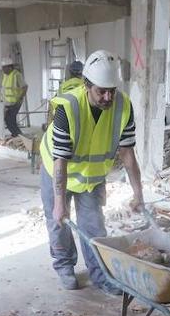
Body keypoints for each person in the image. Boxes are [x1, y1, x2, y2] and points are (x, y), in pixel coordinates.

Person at [38, 50, 144, 293]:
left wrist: (139, 194)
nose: (108, 97)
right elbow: (60, 161)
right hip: (57, 169)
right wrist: (59, 202)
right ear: (87, 85)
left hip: (91, 177)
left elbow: (128, 154)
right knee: (58, 222)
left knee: (94, 226)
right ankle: (64, 266)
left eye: (112, 91)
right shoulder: (69, 108)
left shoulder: (123, 106)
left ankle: (101, 275)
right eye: (101, 91)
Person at [1, 58, 27, 138]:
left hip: (15, 102)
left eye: (4, 68)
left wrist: (20, 98)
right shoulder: (5, 75)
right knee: (8, 120)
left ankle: (19, 135)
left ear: (10, 67)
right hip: (7, 103)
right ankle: (16, 135)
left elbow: (25, 87)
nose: (3, 70)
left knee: (10, 120)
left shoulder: (17, 75)